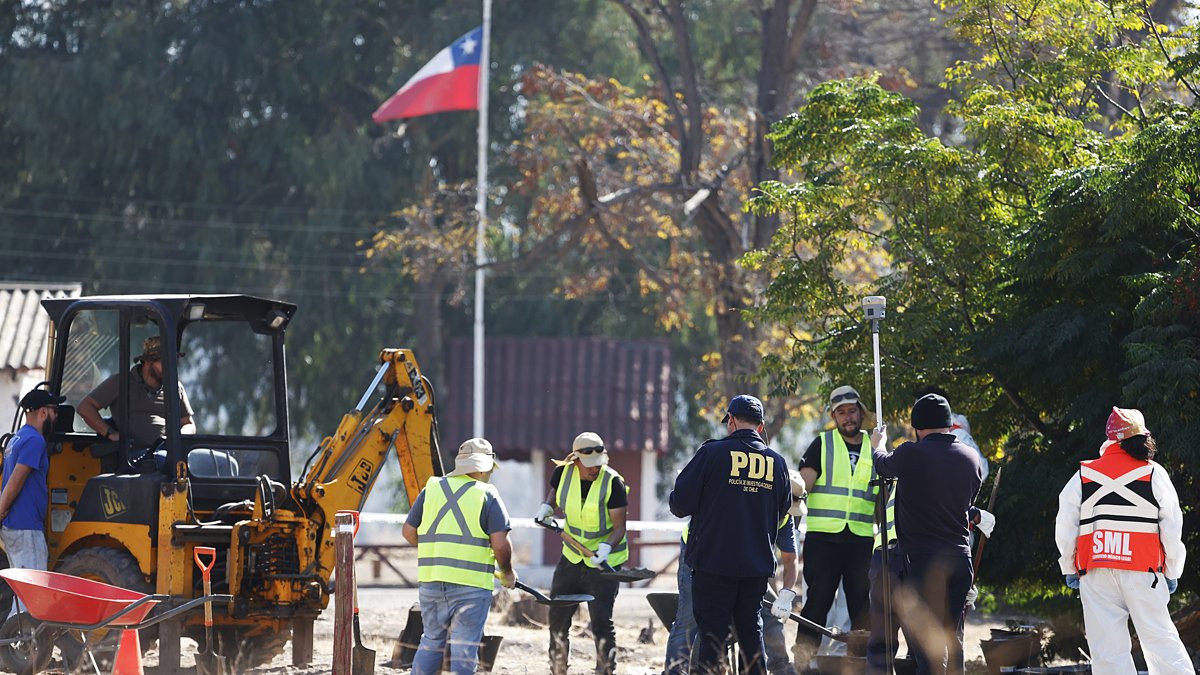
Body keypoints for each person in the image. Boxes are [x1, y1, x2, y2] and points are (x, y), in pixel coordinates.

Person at [1054, 407, 1193, 675]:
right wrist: (1173, 569)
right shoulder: (1153, 473)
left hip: (1097, 571)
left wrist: (1069, 566)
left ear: (1110, 439)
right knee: (1161, 644)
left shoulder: (1084, 475)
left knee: (1108, 652)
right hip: (1144, 572)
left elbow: (1065, 524)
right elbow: (1172, 525)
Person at [669, 395, 794, 675]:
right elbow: (784, 509)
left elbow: (679, 504)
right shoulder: (778, 463)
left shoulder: (711, 454)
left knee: (712, 640)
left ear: (732, 420)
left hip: (713, 565)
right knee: (751, 637)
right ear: (760, 426)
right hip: (755, 568)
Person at [870, 392, 982, 675]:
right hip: (960, 560)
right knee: (950, 639)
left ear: (917, 427)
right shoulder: (971, 458)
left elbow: (883, 466)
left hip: (923, 563)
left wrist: (877, 445)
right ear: (949, 425)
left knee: (926, 649)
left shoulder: (910, 453)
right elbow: (969, 504)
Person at [401, 438, 516, 675]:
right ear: (485, 467)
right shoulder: (487, 494)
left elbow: (408, 533)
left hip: (431, 583)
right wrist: (507, 572)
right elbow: (500, 544)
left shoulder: (431, 488)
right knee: (464, 649)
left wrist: (437, 550)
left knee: (431, 640)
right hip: (471, 588)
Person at [792, 385, 877, 668]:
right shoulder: (822, 443)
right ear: (833, 416)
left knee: (862, 609)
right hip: (823, 540)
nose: (848, 417)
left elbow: (885, 495)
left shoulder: (875, 447)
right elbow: (803, 484)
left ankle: (859, 665)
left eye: (852, 411)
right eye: (841, 413)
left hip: (861, 540)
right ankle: (803, 665)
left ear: (861, 412)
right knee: (816, 606)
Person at [533, 432, 629, 675]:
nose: (595, 469)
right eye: (590, 465)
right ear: (575, 460)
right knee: (557, 618)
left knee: (601, 623)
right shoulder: (562, 472)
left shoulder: (613, 483)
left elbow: (619, 528)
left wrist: (605, 549)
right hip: (573, 556)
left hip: (604, 563)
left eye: (599, 463)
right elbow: (555, 495)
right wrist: (547, 507)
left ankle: (606, 671)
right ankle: (558, 669)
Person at [0, 389, 64, 617]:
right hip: (25, 527)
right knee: (33, 594)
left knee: (23, 593)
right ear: (43, 412)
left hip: (15, 525)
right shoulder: (35, 441)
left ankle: (14, 646)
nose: (57, 417)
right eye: (55, 412)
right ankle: (20, 647)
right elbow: (17, 479)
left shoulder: (17, 438)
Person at [78, 335, 196, 449]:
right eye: (164, 362)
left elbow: (188, 424)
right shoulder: (121, 382)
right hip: (131, 458)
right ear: (148, 361)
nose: (169, 367)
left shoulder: (175, 387)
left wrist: (178, 437)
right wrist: (110, 434)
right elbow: (85, 407)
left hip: (168, 454)